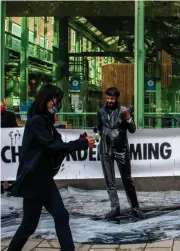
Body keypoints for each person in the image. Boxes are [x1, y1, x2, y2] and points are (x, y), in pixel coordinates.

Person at [7, 84, 95, 251]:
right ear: (45, 99)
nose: (56, 103)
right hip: (35, 180)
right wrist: (81, 143)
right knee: (34, 223)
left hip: (41, 178)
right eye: (53, 99)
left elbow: (57, 144)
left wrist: (79, 140)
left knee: (50, 218)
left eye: (58, 100)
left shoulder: (44, 120)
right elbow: (51, 146)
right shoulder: (37, 121)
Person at [97, 87, 142, 218]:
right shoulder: (101, 112)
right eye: (107, 98)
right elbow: (99, 128)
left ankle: (135, 207)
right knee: (109, 181)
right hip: (105, 149)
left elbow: (133, 129)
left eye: (112, 98)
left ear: (117, 98)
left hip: (121, 150)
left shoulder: (125, 110)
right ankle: (115, 207)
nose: (109, 101)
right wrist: (105, 136)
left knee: (127, 179)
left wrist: (128, 117)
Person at [1, 99, 18, 194]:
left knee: (9, 163)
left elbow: (15, 128)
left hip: (8, 144)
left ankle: (11, 186)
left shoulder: (10, 115)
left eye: (1, 104)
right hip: (2, 144)